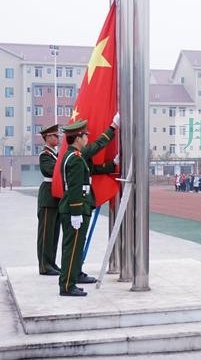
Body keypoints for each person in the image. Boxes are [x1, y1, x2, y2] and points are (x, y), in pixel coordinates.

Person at [58, 114, 119, 297]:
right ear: (77, 138)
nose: (87, 138)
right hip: (75, 209)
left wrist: (112, 164)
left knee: (75, 246)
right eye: (85, 135)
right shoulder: (75, 158)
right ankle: (67, 285)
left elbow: (92, 170)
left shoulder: (74, 156)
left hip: (78, 207)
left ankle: (72, 277)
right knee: (72, 248)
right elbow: (75, 188)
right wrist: (76, 212)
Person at [37, 124, 62, 276]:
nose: (57, 138)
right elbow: (51, 170)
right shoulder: (45, 155)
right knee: (46, 233)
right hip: (48, 197)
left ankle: (51, 263)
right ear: (47, 137)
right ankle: (44, 265)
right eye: (55, 136)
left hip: (56, 197)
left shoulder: (56, 155)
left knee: (54, 233)